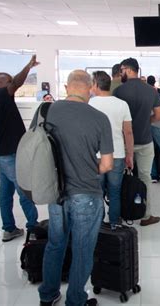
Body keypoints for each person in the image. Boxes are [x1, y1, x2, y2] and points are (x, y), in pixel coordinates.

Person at [38, 70, 114, 306]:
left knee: (55, 243)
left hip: (56, 192)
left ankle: (48, 295)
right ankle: (76, 300)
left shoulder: (47, 111)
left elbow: (36, 150)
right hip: (86, 194)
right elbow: (107, 164)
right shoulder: (99, 118)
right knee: (82, 249)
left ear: (66, 87)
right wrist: (88, 169)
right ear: (91, 87)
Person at [0, 55, 39, 242]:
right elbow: (16, 82)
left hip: (1, 154)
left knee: (6, 192)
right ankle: (33, 227)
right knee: (24, 189)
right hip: (10, 154)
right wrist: (29, 66)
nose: (13, 88)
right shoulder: (1, 96)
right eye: (9, 83)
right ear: (1, 84)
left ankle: (9, 228)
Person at [114, 58, 160, 226]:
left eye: (121, 70)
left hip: (123, 143)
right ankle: (146, 215)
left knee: (119, 179)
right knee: (145, 178)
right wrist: (144, 121)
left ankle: (118, 215)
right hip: (145, 141)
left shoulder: (119, 91)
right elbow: (158, 116)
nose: (121, 73)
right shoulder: (152, 91)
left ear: (127, 70)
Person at [89, 71, 134, 228]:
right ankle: (114, 223)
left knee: (97, 192)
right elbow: (128, 132)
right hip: (117, 154)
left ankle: (99, 223)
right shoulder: (122, 104)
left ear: (95, 84)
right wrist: (130, 155)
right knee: (115, 192)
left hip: (96, 155)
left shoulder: (90, 104)